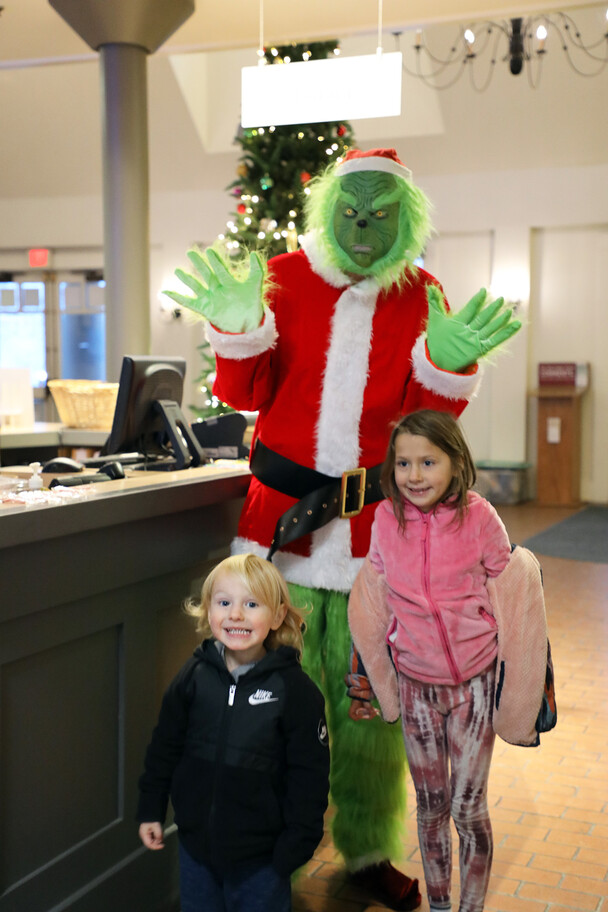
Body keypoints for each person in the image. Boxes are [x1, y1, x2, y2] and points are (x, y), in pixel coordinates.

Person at [165, 147, 520, 910]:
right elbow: (244, 390)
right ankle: (269, 859)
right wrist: (238, 329)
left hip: (371, 542)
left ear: (406, 222)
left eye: (380, 216)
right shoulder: (284, 277)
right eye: (351, 213)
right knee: (268, 712)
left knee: (370, 715)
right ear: (328, 209)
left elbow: (428, 425)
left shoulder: (422, 292)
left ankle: (363, 850)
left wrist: (444, 374)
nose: (363, 229)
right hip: (280, 538)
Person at [348, 409, 512, 912]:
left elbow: (510, 588)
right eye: (403, 464)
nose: (414, 476)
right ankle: (440, 904)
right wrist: (370, 676)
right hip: (416, 685)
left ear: (456, 463)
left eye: (428, 462)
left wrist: (524, 678)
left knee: (466, 807)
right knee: (433, 805)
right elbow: (372, 600)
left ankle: (472, 907)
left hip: (474, 684)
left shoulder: (480, 516)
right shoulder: (383, 519)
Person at [136, 553, 330, 912]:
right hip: (197, 853)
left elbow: (310, 776)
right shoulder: (193, 676)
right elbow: (165, 746)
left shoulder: (295, 691)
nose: (235, 615)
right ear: (208, 611)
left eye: (251, 604)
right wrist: (151, 807)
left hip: (263, 861)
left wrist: (297, 845)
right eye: (223, 602)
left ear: (277, 615)